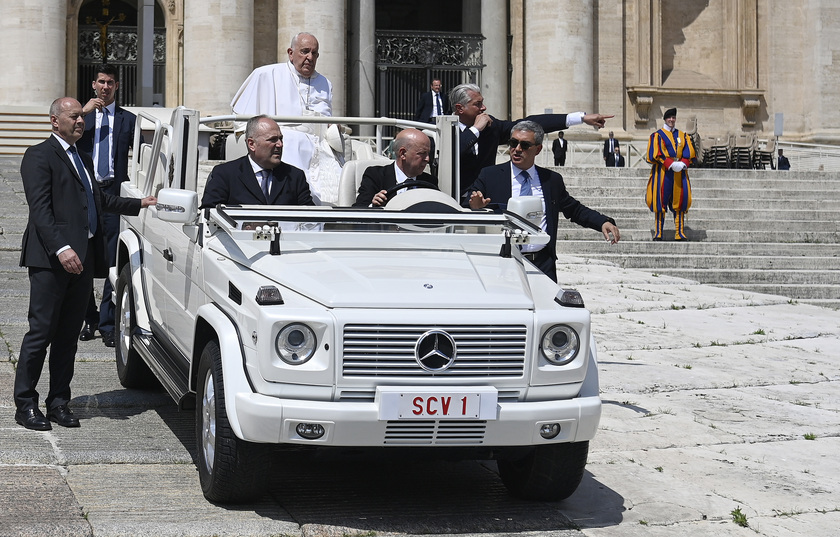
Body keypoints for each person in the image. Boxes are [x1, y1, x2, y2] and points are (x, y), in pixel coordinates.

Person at [14, 97, 156, 431]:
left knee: (68, 337)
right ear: (54, 121)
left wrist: (140, 203)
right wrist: (62, 248)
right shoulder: (38, 156)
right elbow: (41, 210)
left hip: (82, 260)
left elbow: (99, 200)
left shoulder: (82, 156)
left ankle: (59, 402)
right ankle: (25, 404)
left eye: (81, 116)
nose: (81, 121)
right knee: (41, 333)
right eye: (74, 116)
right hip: (52, 261)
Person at [463, 120, 620, 282]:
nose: (517, 149)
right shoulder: (490, 176)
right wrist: (474, 206)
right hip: (501, 263)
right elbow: (468, 201)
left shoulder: (551, 180)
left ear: (538, 149)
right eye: (513, 143)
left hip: (542, 265)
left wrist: (602, 222)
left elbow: (574, 209)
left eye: (524, 145)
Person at [230, 32, 340, 204]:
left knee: (340, 180)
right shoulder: (267, 74)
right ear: (290, 53)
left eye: (314, 53)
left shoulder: (325, 83)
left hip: (319, 144)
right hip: (286, 141)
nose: (310, 57)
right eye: (304, 51)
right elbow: (245, 119)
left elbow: (326, 120)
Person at [75, 64, 139, 348]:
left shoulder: (128, 119)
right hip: (85, 192)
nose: (105, 87)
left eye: (110, 82)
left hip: (113, 192)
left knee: (113, 258)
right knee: (82, 256)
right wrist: (84, 112)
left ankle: (108, 322)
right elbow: (61, 136)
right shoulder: (81, 118)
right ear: (93, 84)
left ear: (116, 86)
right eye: (101, 82)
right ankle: (88, 317)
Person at [449, 83, 613, 194]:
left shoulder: (491, 126)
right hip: (453, 199)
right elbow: (455, 150)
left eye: (482, 103)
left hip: (486, 198)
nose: (483, 108)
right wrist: (476, 129)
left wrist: (580, 118)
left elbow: (528, 123)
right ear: (460, 108)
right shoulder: (442, 129)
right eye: (477, 104)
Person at [201, 115, 314, 208]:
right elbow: (209, 214)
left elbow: (311, 219)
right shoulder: (225, 174)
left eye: (281, 139)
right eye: (273, 140)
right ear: (252, 144)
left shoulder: (294, 176)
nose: (280, 144)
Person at [645, 107, 696, 241]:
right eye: (669, 118)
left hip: (679, 173)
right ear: (665, 119)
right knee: (659, 201)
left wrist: (683, 163)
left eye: (673, 118)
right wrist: (670, 164)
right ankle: (658, 232)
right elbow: (655, 153)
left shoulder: (683, 135)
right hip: (663, 172)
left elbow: (689, 152)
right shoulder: (657, 135)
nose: (671, 120)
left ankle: (679, 233)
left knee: (679, 202)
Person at [353, 128, 438, 207]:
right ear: (403, 153)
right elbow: (358, 211)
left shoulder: (430, 182)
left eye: (428, 153)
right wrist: (374, 205)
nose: (427, 159)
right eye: (422, 153)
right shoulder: (375, 176)